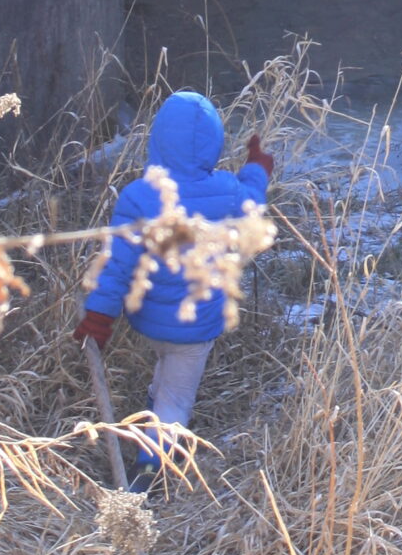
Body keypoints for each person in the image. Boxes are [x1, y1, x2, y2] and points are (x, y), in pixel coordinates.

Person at [75, 89, 273, 488]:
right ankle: (152, 468)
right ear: (215, 142)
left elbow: (116, 267)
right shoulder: (230, 192)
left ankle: (152, 429)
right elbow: (254, 202)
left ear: (157, 139)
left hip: (148, 319)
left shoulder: (139, 197)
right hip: (196, 327)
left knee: (166, 371)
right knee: (176, 399)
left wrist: (99, 318)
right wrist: (257, 167)